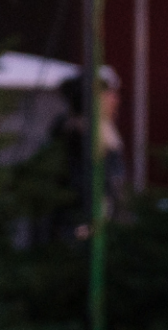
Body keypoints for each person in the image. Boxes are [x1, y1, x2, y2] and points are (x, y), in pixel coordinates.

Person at [49, 66, 129, 239]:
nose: (115, 100)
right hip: (82, 231)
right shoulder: (79, 135)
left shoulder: (103, 132)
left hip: (100, 227)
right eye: (109, 94)